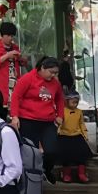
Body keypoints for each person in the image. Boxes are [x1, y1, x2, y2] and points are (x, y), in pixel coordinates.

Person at [10, 56, 64, 184]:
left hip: (47, 122)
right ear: (42, 68)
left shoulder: (55, 83)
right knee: (30, 152)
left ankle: (46, 169)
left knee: (51, 150)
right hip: (28, 120)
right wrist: (15, 116)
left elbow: (60, 99)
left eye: (56, 73)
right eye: (51, 72)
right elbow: (16, 97)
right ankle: (30, 179)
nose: (54, 75)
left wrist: (60, 115)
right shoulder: (27, 78)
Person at [0, 22, 27, 117]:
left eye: (12, 36)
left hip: (14, 81)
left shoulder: (15, 47)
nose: (10, 38)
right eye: (8, 35)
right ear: (2, 35)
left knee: (14, 106)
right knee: (1, 107)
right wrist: (7, 55)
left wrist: (21, 58)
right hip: (1, 82)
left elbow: (23, 63)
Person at [57, 90, 92, 183]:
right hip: (65, 135)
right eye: (73, 102)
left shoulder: (79, 112)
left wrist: (85, 134)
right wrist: (57, 131)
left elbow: (81, 123)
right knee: (66, 155)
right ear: (66, 101)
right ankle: (66, 174)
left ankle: (82, 174)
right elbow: (59, 123)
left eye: (76, 102)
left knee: (82, 153)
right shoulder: (62, 111)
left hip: (77, 135)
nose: (75, 104)